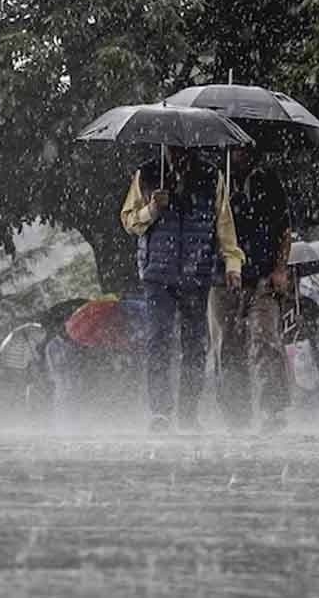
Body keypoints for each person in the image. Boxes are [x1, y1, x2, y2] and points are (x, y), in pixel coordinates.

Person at [121, 146, 244, 433]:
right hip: (157, 275)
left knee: (194, 345)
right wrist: (152, 209)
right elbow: (129, 221)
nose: (177, 153)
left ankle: (188, 412)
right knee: (159, 341)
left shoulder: (211, 176)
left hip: (196, 273)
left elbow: (224, 224)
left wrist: (232, 265)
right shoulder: (147, 173)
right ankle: (160, 412)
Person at [207, 148, 292, 433]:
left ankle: (273, 410)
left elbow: (284, 229)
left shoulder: (268, 180)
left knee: (265, 340)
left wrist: (280, 268)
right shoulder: (215, 179)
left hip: (263, 279)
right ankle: (235, 414)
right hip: (221, 279)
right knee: (226, 347)